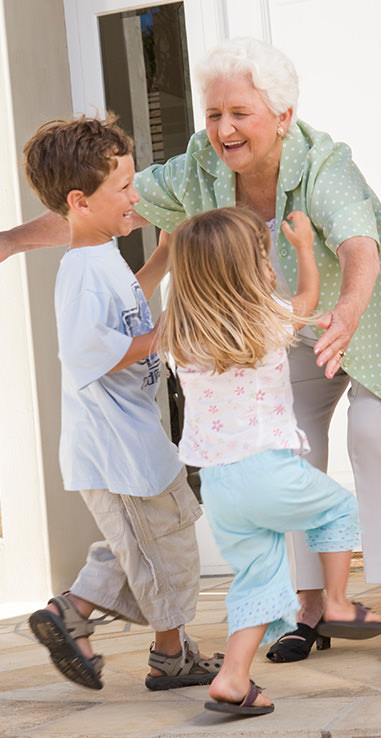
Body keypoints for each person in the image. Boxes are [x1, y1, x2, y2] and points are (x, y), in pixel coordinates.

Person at [0, 37, 381, 664]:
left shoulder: (324, 162)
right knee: (285, 449)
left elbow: (358, 240)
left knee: (373, 433)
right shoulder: (199, 167)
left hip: (373, 314)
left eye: (240, 113)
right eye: (214, 114)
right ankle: (308, 607)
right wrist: (10, 241)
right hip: (282, 327)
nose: (223, 129)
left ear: (283, 117)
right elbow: (96, 208)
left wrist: (347, 310)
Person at [160, 205, 381, 716]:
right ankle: (335, 603)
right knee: (339, 512)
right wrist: (305, 247)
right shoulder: (264, 317)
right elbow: (308, 298)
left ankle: (232, 679)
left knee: (257, 580)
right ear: (246, 270)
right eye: (262, 258)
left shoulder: (181, 334)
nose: (269, 266)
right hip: (265, 468)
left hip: (217, 486)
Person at [22, 115, 223, 691]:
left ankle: (75, 612)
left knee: (156, 539)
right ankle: (168, 656)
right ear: (79, 201)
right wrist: (171, 329)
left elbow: (123, 308)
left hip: (134, 439)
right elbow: (94, 350)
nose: (136, 197)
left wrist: (162, 258)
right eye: (125, 189)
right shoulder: (82, 271)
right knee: (160, 549)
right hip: (115, 450)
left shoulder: (104, 256)